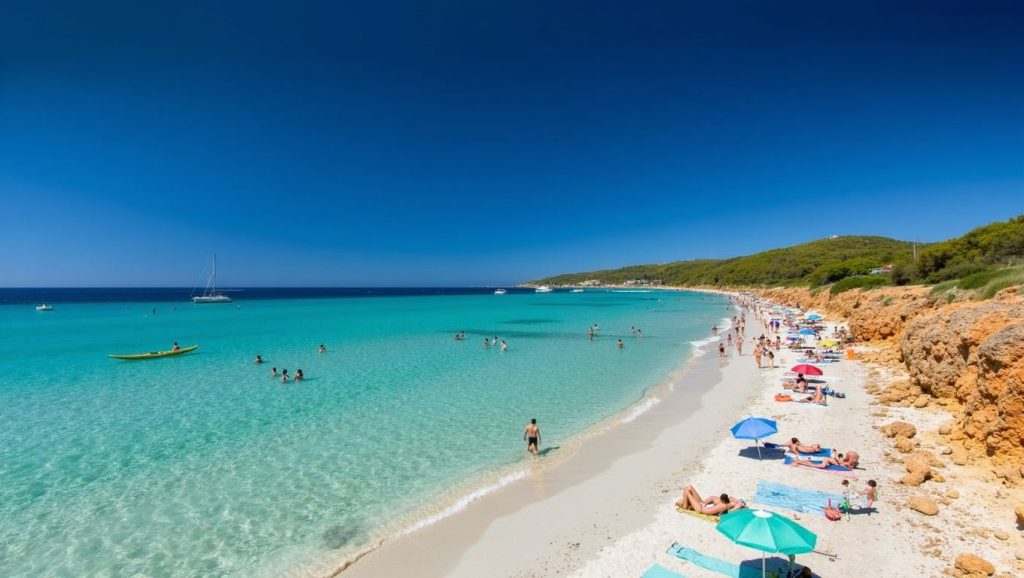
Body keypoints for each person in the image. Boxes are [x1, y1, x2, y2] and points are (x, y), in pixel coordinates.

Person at [675, 485, 744, 516]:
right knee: (689, 487)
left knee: (686, 491)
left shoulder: (723, 506)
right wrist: (738, 503)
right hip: (701, 504)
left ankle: (684, 506)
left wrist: (737, 506)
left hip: (700, 509)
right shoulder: (725, 503)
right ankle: (685, 503)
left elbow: (728, 511)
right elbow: (712, 498)